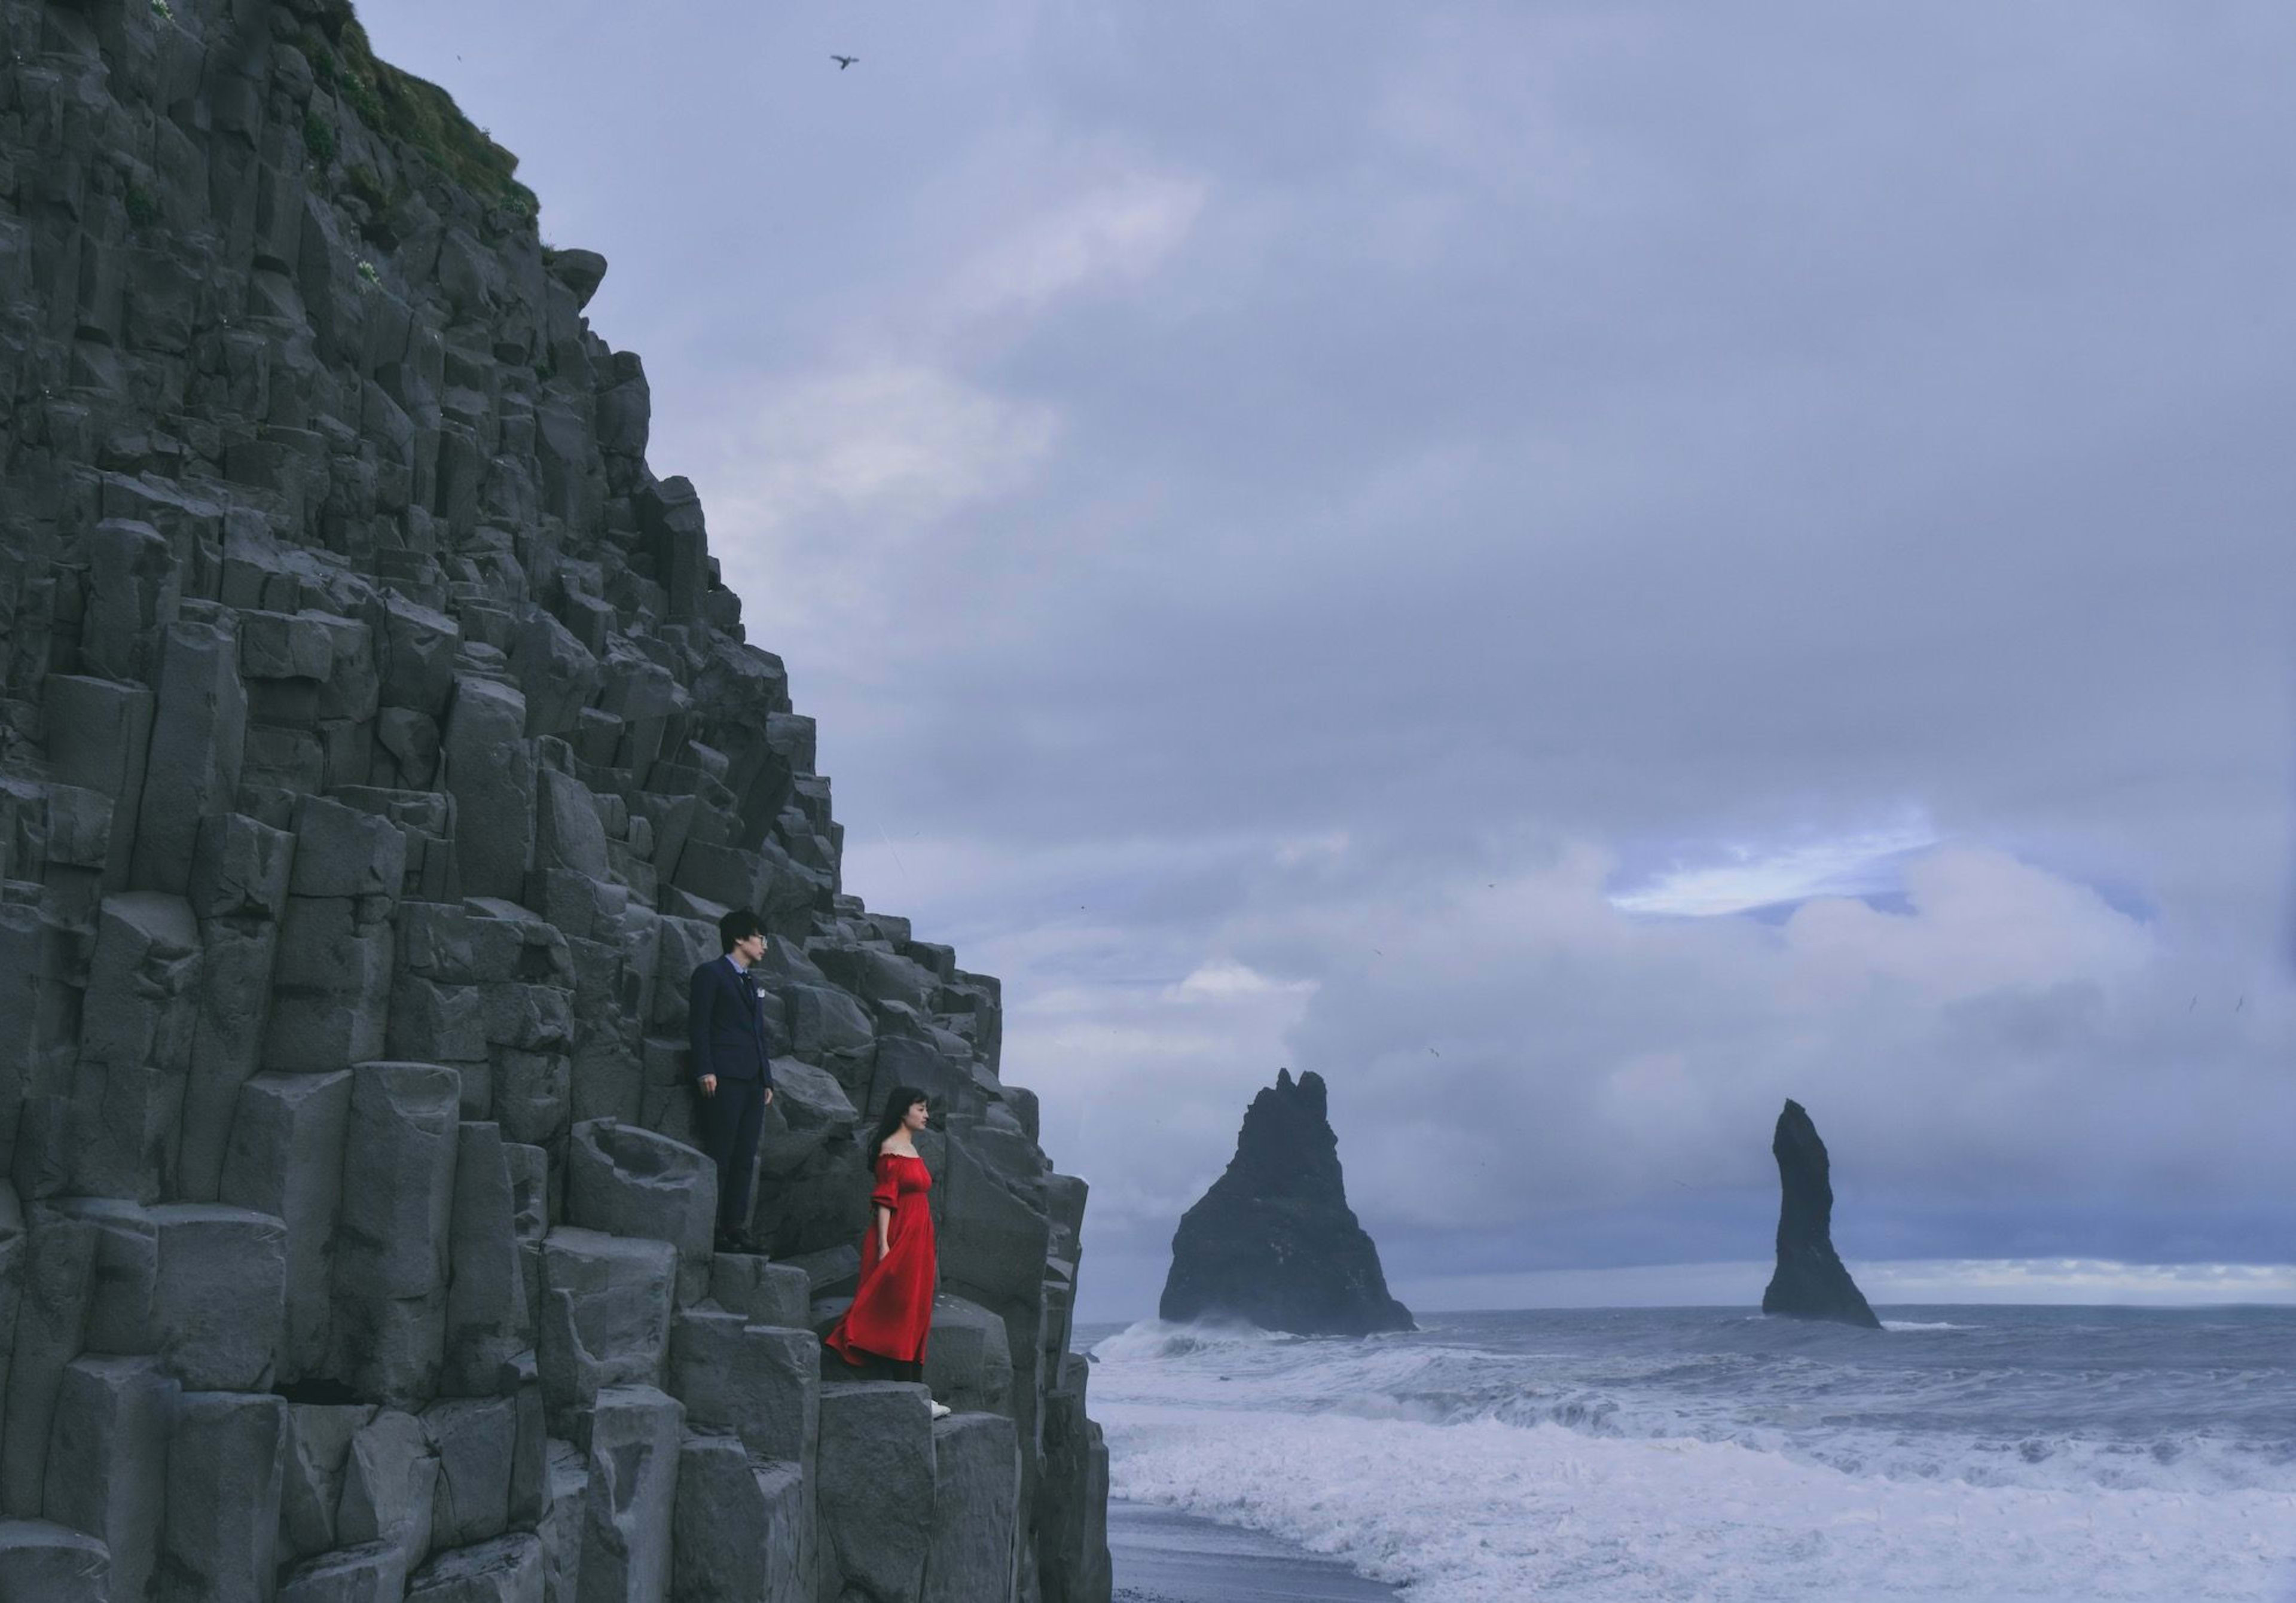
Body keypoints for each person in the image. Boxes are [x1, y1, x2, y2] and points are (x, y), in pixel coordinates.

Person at [823, 1086, 949, 1418]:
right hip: (900, 1234)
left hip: (920, 1236)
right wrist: (884, 1245)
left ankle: (920, 1393)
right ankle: (914, 1395)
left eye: (926, 1109)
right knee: (903, 1308)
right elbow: (884, 1202)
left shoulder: (909, 1147)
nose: (926, 1115)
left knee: (919, 1308)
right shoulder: (890, 1150)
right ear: (903, 1112)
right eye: (920, 1109)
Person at [689, 907, 775, 1253]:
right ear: (740, 938)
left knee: (745, 1157)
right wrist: (704, 1069)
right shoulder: (710, 974)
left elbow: (758, 1035)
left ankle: (735, 1227)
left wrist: (766, 1079)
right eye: (760, 938)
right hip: (723, 1077)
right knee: (721, 1154)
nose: (764, 946)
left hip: (753, 1081)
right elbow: (699, 1025)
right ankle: (712, 1229)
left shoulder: (752, 982)